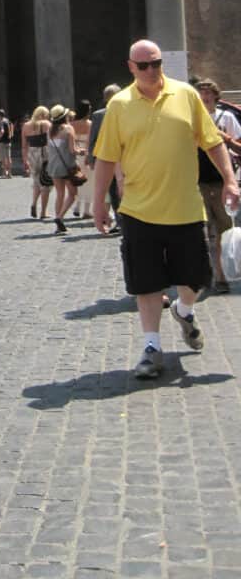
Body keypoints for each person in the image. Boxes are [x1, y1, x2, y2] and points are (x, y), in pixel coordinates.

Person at [93, 40, 240, 379]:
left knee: (198, 278)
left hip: (186, 207)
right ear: (130, 67)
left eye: (156, 63)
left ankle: (184, 310)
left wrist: (230, 180)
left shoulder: (186, 95)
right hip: (138, 210)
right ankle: (151, 346)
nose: (151, 70)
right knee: (146, 282)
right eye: (143, 65)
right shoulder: (119, 105)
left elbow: (213, 141)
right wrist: (101, 201)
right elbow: (106, 158)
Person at [194, 78, 241, 294]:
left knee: (224, 230)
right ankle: (211, 274)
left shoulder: (227, 117)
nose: (204, 97)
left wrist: (225, 138)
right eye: (200, 93)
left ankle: (222, 275)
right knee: (203, 231)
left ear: (215, 96)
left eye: (207, 93)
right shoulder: (191, 119)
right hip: (198, 181)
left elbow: (239, 148)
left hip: (221, 181)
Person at [86, 84, 122, 233]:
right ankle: (124, 221)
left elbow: (93, 139)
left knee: (113, 191)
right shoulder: (125, 111)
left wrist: (91, 157)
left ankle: (121, 221)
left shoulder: (98, 115)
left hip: (106, 157)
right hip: (122, 157)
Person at [46, 105, 78, 235]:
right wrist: (81, 151)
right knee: (72, 194)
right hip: (67, 166)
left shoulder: (49, 130)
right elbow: (72, 150)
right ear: (65, 116)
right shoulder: (69, 129)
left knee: (60, 194)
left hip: (53, 166)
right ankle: (59, 217)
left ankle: (59, 226)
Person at [21, 105, 52, 219]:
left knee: (36, 181)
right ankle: (43, 212)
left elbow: (24, 146)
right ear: (44, 115)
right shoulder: (46, 124)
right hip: (44, 154)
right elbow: (51, 141)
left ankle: (34, 204)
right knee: (46, 183)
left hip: (32, 154)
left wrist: (25, 160)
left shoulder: (26, 126)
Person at [72, 100, 93, 218]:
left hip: (75, 153)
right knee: (88, 182)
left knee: (77, 181)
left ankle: (77, 206)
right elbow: (90, 142)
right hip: (85, 153)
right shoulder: (90, 124)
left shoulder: (72, 124)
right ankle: (86, 210)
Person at [0, 109, 13, 178]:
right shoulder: (7, 120)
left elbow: (2, 131)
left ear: (0, 115)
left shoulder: (1, 122)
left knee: (3, 158)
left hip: (2, 142)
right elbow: (11, 128)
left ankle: (5, 174)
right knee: (8, 157)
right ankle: (10, 173)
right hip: (8, 141)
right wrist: (10, 137)